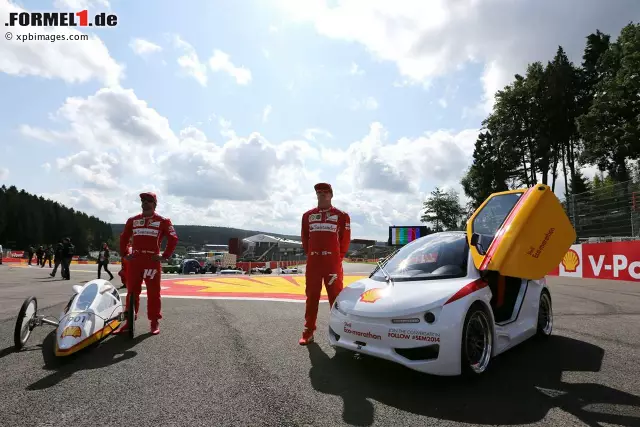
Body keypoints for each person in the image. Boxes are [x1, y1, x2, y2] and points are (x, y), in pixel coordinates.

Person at [116, 192, 178, 335]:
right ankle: (129, 320)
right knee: (131, 292)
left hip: (152, 261)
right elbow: (124, 237)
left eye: (149, 201)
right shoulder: (133, 220)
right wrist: (125, 254)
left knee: (153, 293)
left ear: (155, 204)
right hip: (135, 260)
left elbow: (173, 238)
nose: (145, 203)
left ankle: (154, 321)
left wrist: (165, 256)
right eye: (143, 201)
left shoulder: (163, 221)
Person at [299, 182, 351, 345]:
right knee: (312, 296)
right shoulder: (307, 215)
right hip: (314, 262)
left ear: (331, 195)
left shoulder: (342, 215)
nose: (321, 194)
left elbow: (345, 239)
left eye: (325, 192)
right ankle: (308, 331)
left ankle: (338, 331)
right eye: (319, 192)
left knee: (335, 298)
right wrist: (312, 256)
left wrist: (337, 258)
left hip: (332, 263)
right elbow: (305, 238)